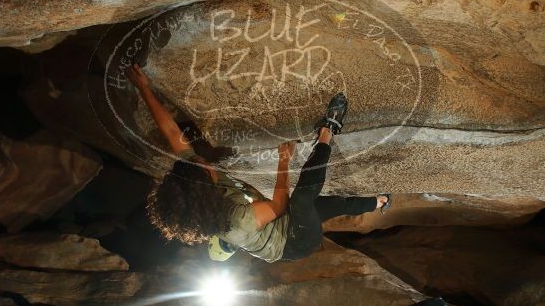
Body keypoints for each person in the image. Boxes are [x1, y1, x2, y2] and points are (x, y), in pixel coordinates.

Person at [127, 63, 391, 263]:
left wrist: (144, 88)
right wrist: (283, 161)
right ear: (203, 186)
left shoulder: (195, 180)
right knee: (302, 200)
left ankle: (379, 201)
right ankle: (329, 130)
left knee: (331, 205)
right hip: (294, 242)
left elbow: (174, 135)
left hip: (281, 222)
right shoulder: (236, 223)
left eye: (198, 161)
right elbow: (279, 204)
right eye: (203, 167)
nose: (206, 162)